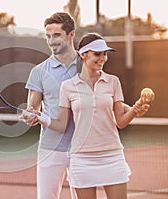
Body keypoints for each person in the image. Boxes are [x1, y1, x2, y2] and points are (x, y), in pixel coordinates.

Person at [20, 13, 149, 199]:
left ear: (71, 34)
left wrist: (134, 109)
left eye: (56, 35)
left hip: (83, 150)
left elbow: (102, 101)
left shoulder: (90, 65)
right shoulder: (39, 72)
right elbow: (33, 108)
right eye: (48, 36)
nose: (51, 41)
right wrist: (30, 116)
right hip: (51, 148)